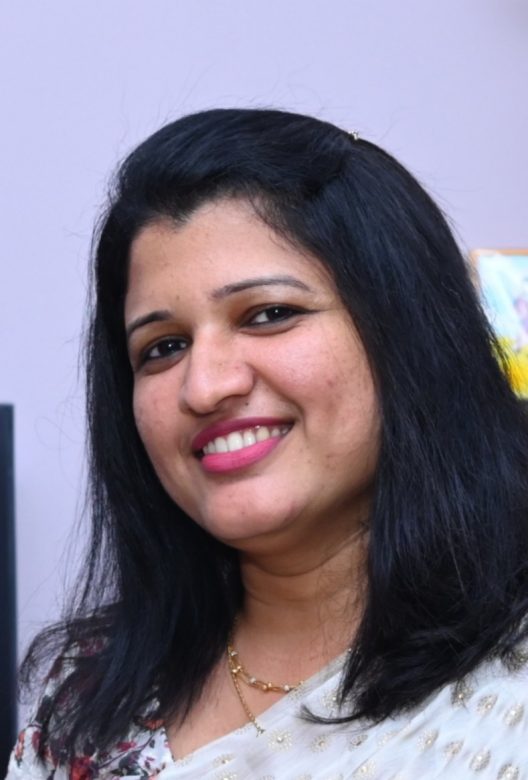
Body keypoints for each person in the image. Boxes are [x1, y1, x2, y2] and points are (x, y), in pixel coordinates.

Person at [6, 108, 528, 779]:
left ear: (406, 331)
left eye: (269, 314)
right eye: (163, 347)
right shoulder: (89, 695)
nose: (205, 386)